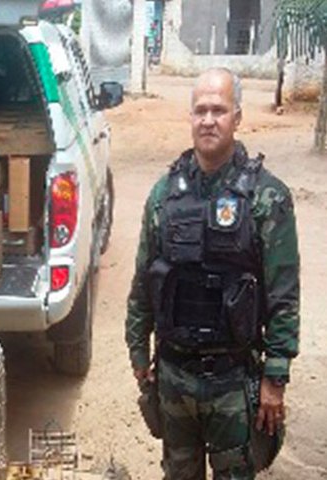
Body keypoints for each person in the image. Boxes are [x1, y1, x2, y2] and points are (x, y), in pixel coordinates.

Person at [125, 68, 299, 479]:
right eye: (200, 110)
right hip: (173, 375)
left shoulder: (266, 197)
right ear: (189, 117)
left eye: (218, 110)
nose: (208, 120)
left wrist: (275, 377)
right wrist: (138, 349)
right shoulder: (163, 194)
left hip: (232, 381)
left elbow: (283, 294)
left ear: (237, 118)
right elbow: (144, 280)